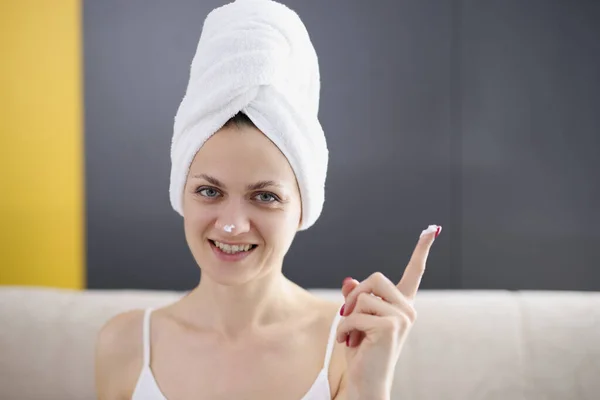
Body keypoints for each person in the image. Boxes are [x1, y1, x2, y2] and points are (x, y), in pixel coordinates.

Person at [94, 1, 441, 399]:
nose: (231, 224)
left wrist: (369, 386)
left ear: (302, 208)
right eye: (209, 191)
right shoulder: (123, 344)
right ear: (181, 193)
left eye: (264, 196)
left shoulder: (350, 344)